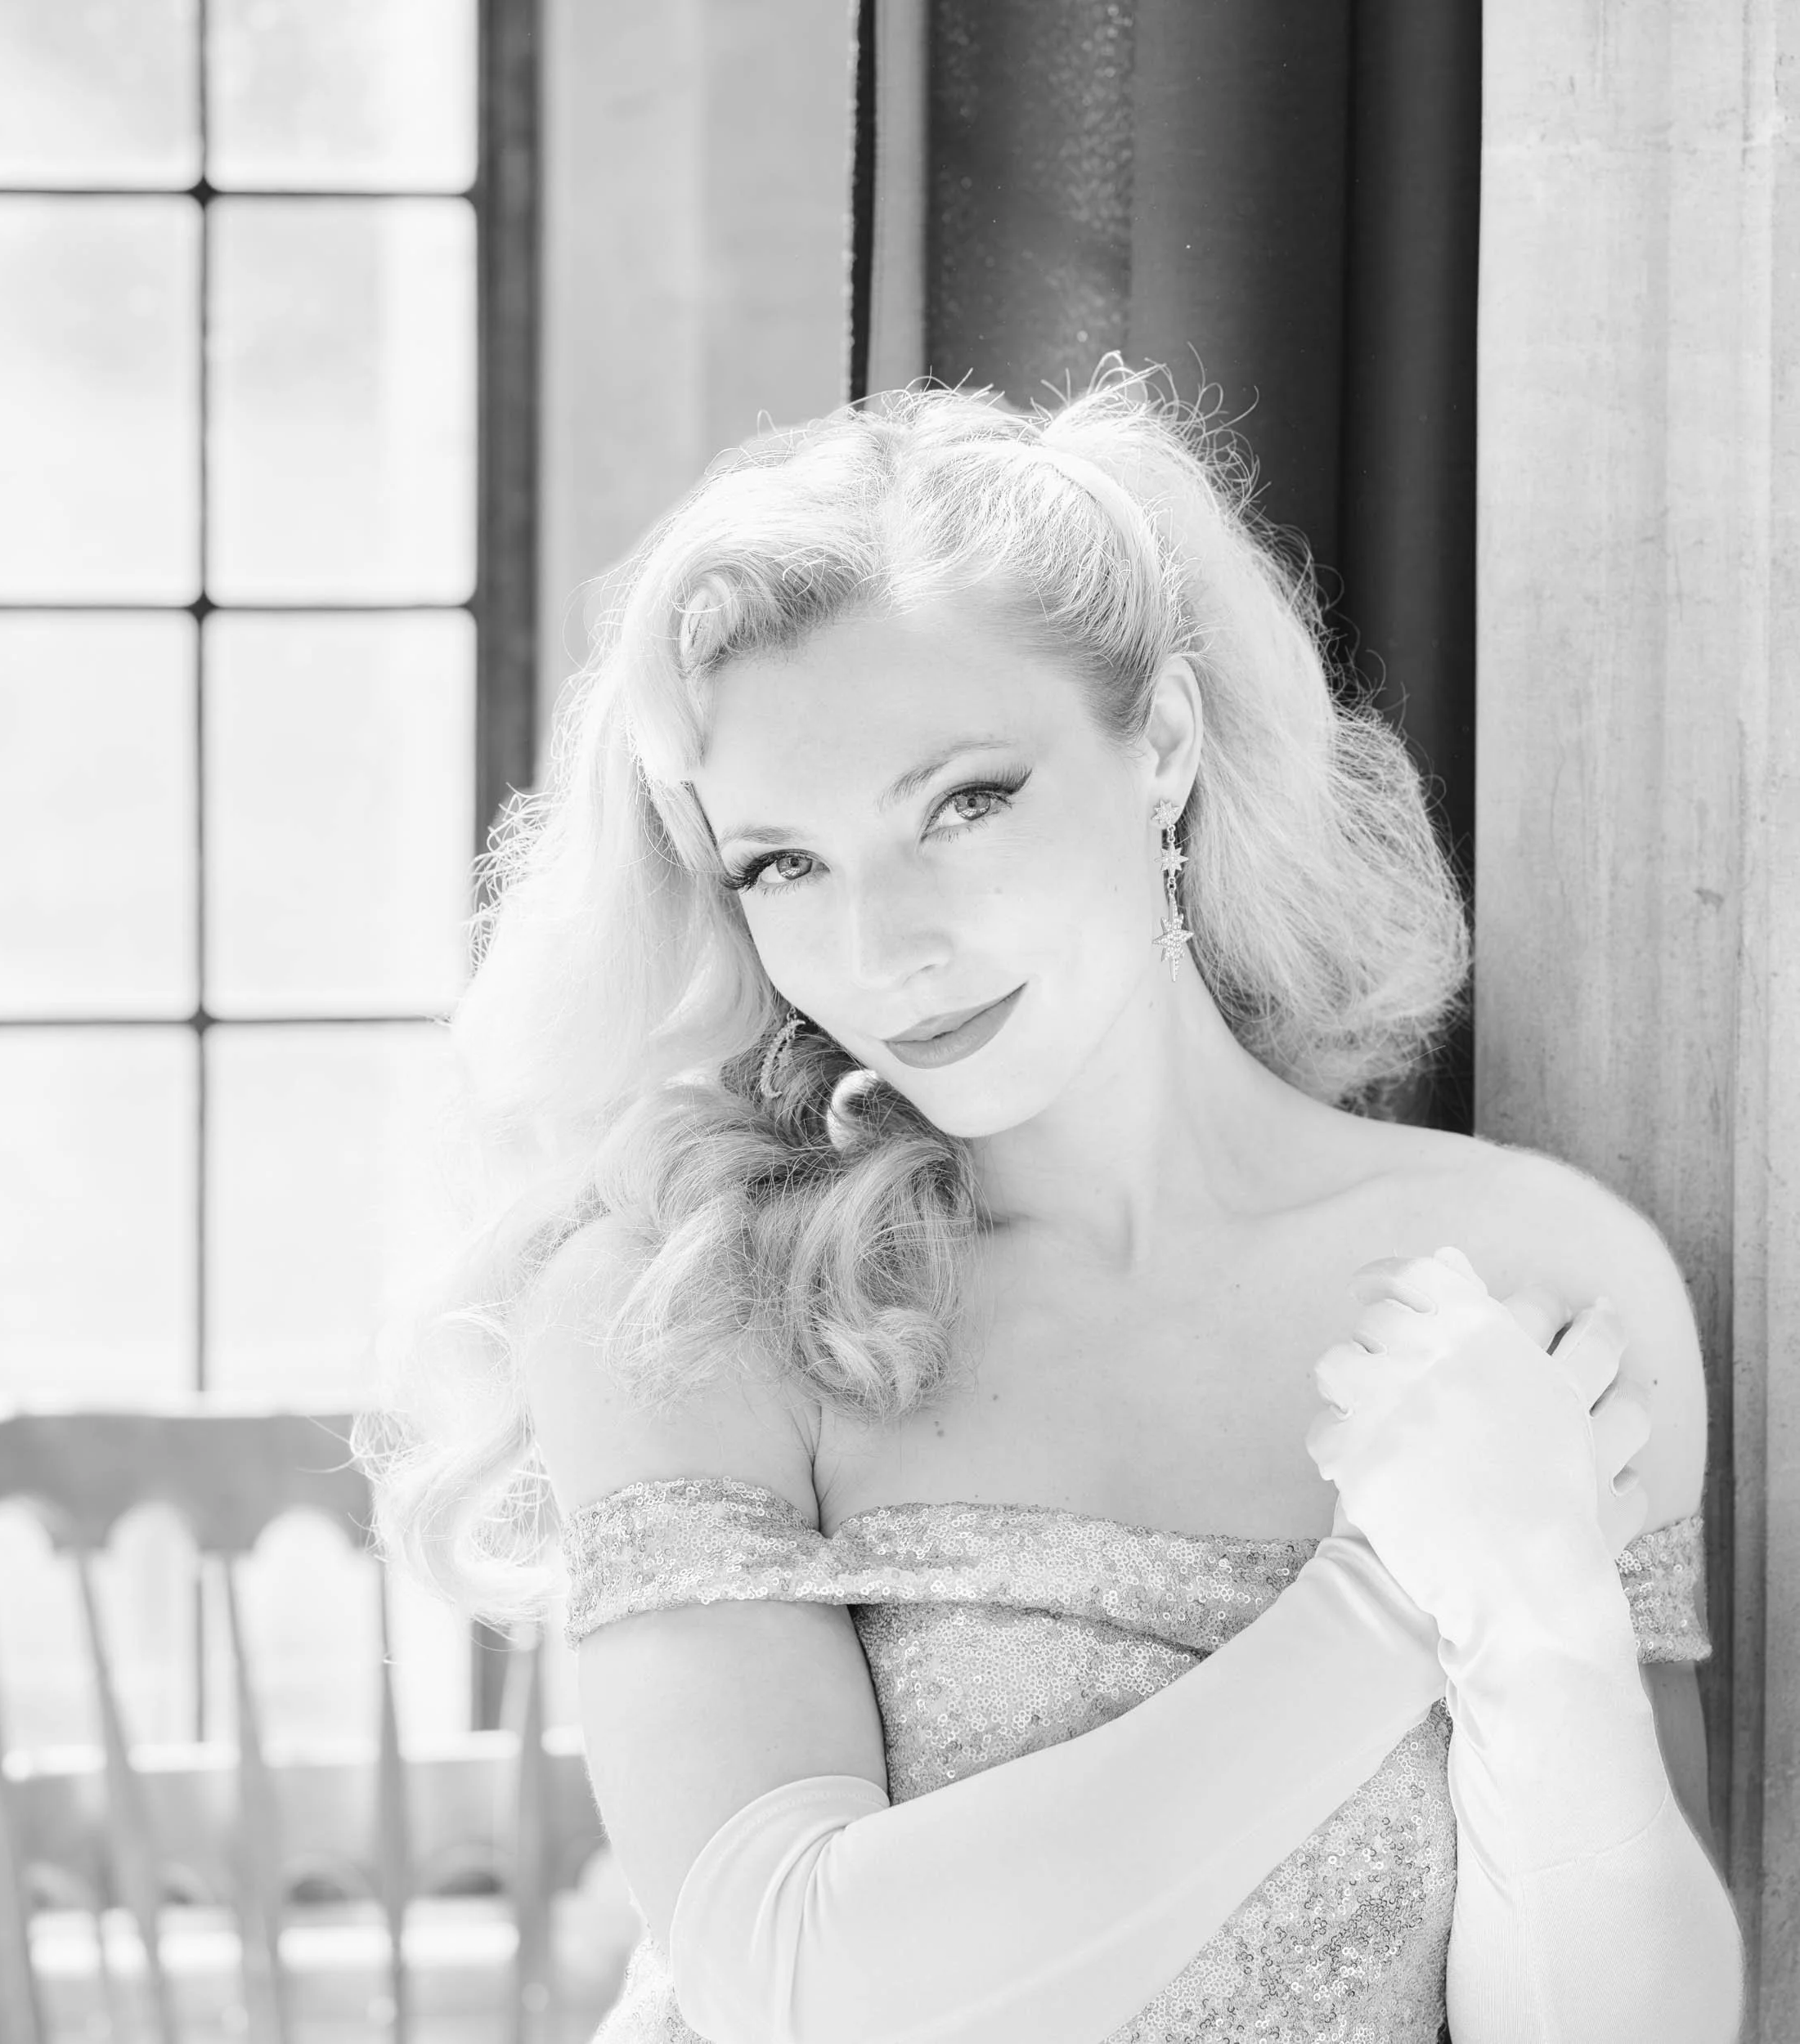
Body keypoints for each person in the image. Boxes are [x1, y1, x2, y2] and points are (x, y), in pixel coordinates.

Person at [361, 366, 1743, 2042]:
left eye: (961, 803)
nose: (883, 947)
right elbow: (793, 1983)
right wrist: (1388, 1593)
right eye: (781, 862)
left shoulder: (1536, 1268)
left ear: (1156, 743)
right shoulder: (691, 1302)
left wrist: (1540, 1631)